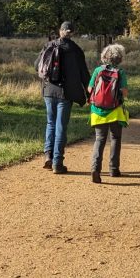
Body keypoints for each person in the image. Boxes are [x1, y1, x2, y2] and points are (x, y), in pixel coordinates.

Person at [42, 20, 90, 174]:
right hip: (66, 93)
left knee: (50, 123)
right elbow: (84, 74)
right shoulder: (76, 50)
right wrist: (89, 94)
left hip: (49, 91)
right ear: (72, 33)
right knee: (61, 127)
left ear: (60, 31)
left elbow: (38, 65)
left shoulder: (49, 45)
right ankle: (57, 163)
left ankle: (48, 156)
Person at [87, 43, 129, 183]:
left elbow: (89, 89)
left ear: (104, 56)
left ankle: (95, 169)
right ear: (119, 58)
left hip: (97, 111)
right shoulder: (120, 72)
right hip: (115, 110)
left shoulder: (98, 70)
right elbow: (124, 92)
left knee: (100, 139)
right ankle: (113, 169)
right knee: (115, 138)